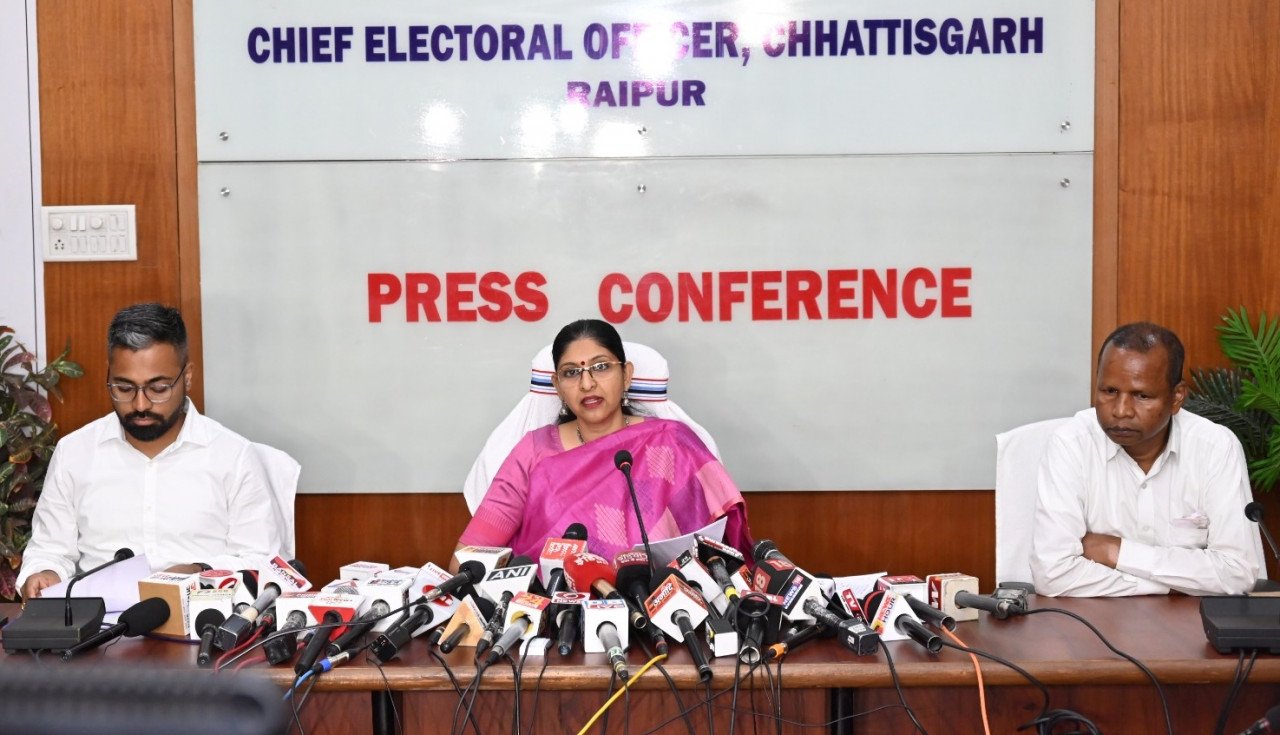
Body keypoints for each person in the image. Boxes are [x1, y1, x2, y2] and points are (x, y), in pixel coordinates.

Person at [17, 303, 285, 600]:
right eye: (124, 388)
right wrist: (44, 573)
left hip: (204, 617)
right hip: (100, 621)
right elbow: (49, 550)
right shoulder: (75, 452)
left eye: (158, 389)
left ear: (187, 377)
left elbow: (264, 564)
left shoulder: (233, 456)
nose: (141, 404)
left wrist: (200, 571)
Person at [458, 319, 752, 562]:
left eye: (601, 367)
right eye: (572, 373)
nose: (587, 384)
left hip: (661, 605)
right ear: (558, 386)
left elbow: (722, 552)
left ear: (626, 375)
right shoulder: (534, 451)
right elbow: (468, 557)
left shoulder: (672, 444)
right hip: (556, 607)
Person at [1030, 322, 1264, 596]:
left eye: (1141, 396)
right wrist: (1172, 585)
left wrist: (1116, 552)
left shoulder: (1215, 447)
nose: (1121, 411)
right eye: (1109, 391)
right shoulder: (1071, 444)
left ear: (1176, 397)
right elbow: (1052, 574)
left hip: (1189, 620)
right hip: (1093, 617)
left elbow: (1237, 572)